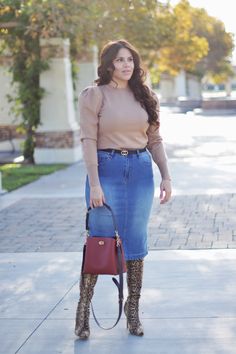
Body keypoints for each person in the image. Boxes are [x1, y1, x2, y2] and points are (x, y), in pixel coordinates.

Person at [75, 39, 172, 339]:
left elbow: (154, 140)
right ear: (108, 65)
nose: (126, 65)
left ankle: (133, 313)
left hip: (141, 172)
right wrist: (94, 184)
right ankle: (82, 313)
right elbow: (89, 140)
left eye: (130, 59)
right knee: (100, 239)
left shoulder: (145, 96)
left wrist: (166, 176)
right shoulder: (95, 95)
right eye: (119, 60)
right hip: (107, 170)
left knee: (136, 242)